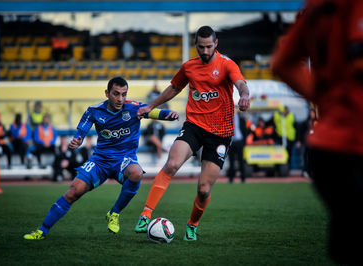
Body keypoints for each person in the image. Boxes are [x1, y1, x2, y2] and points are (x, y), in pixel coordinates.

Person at [23, 77, 178, 240]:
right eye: (116, 94)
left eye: (124, 94)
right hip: (100, 161)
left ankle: (114, 213)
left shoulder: (134, 108)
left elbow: (154, 112)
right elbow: (81, 131)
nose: (120, 99)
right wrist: (78, 139)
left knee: (137, 172)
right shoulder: (94, 110)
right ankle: (41, 231)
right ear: (107, 93)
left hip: (123, 160)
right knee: (73, 192)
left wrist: (170, 114)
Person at [134, 26, 250, 241]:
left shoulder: (226, 64)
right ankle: (145, 214)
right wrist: (151, 106)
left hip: (220, 133)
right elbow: (174, 88)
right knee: (171, 164)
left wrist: (244, 96)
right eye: (200, 47)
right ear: (196, 45)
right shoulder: (189, 67)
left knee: (204, 189)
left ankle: (192, 224)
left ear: (216, 44)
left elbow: (241, 83)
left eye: (208, 47)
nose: (204, 51)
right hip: (195, 125)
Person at [271, 0, 363, 264]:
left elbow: (282, 63)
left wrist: (327, 101)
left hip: (326, 147)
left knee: (346, 242)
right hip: (355, 141)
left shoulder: (315, 7)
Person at [296, 108, 317, 178]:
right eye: (311, 113)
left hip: (314, 143)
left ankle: (312, 171)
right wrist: (299, 140)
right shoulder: (306, 122)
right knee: (305, 157)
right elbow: (300, 131)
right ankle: (305, 171)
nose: (312, 114)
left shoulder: (317, 122)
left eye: (313, 113)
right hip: (306, 142)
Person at [227, 111, 247, 183]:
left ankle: (243, 178)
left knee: (241, 160)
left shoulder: (241, 118)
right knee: (231, 161)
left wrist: (244, 142)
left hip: (239, 141)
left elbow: (245, 130)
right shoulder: (228, 118)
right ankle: (231, 178)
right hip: (231, 142)